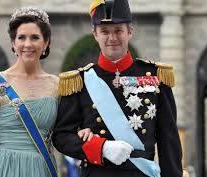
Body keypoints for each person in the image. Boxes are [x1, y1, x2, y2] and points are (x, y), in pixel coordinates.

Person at [52, 0, 184, 177]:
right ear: (95, 34)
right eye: (104, 31)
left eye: (118, 30)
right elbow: (61, 137)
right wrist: (102, 148)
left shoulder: (155, 77)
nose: (112, 38)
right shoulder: (80, 81)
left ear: (130, 31)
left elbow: (169, 142)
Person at [0, 6, 92, 177]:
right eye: (21, 37)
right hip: (6, 168)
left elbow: (67, 129)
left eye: (35, 37)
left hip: (42, 167)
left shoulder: (58, 85)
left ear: (46, 43)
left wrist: (83, 131)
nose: (27, 44)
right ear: (13, 43)